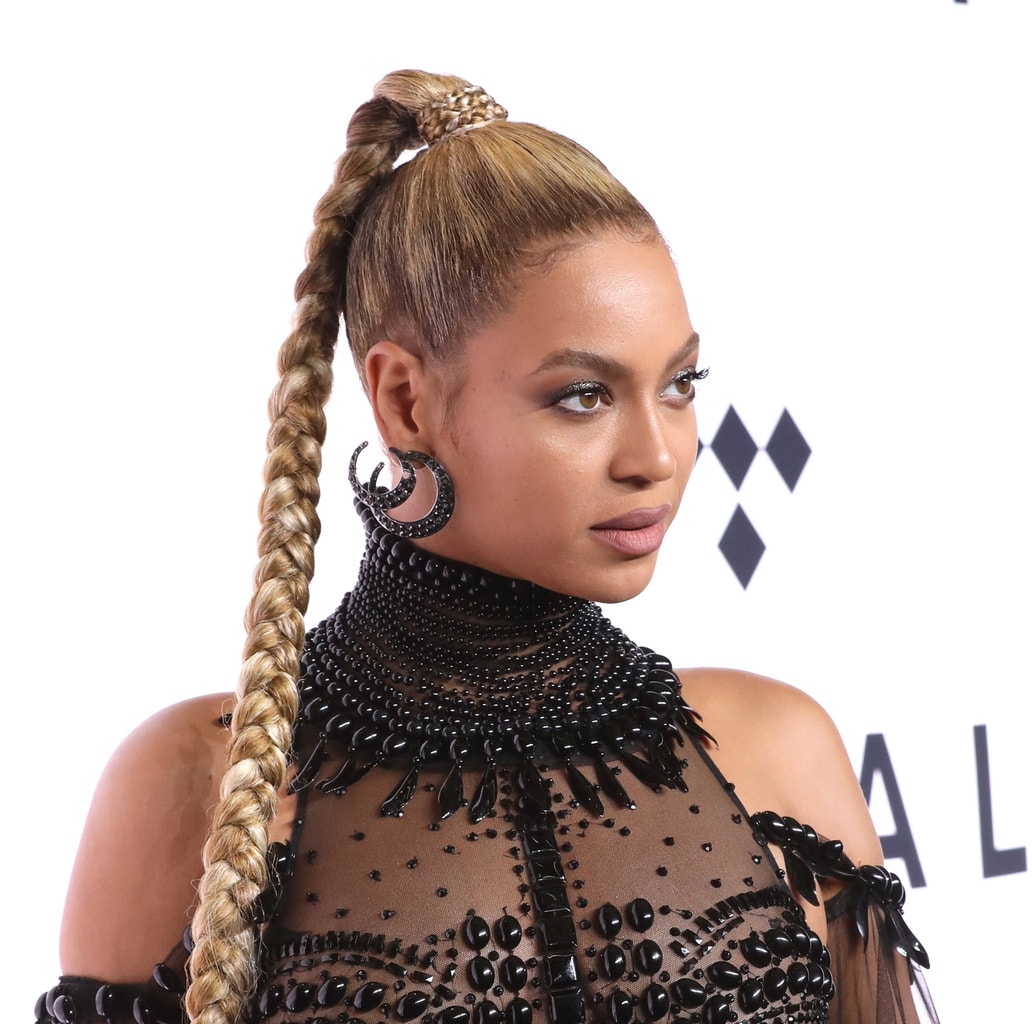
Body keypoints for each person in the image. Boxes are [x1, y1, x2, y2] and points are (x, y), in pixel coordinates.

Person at [39, 71, 932, 1024]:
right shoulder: (196, 781)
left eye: (679, 382)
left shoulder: (776, 751)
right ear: (404, 402)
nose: (658, 455)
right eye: (582, 396)